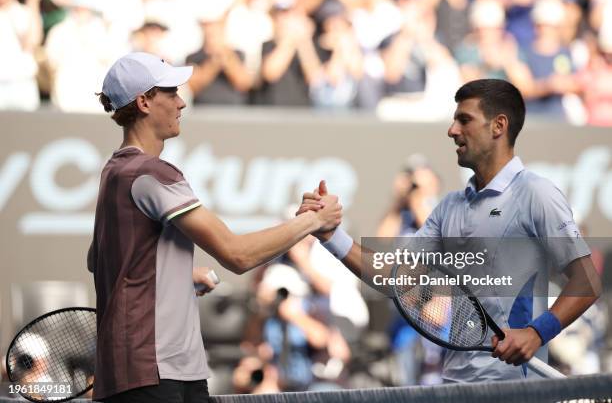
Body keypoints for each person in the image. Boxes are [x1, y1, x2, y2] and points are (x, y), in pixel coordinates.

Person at [298, 79, 601, 382]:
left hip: (514, 388)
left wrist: (536, 333)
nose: (452, 130)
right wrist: (331, 235)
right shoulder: (449, 207)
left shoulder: (537, 194)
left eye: (464, 119)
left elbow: (586, 280)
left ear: (498, 126)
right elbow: (396, 278)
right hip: (455, 385)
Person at [88, 52, 341, 403]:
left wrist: (180, 276)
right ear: (144, 102)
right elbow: (237, 255)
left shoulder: (113, 173)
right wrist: (313, 222)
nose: (181, 103)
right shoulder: (152, 173)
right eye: (171, 93)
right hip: (159, 374)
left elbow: (112, 264)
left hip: (135, 373)